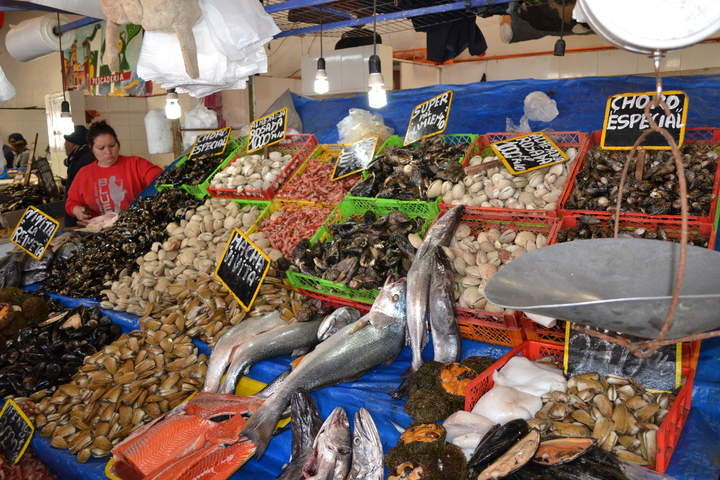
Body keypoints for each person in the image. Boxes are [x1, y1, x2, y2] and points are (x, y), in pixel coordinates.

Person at [65, 120, 162, 224]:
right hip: (101, 231)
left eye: (112, 146)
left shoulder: (135, 164)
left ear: (118, 144)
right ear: (91, 149)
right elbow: (71, 203)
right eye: (101, 148)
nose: (108, 152)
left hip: (138, 224)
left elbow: (159, 178)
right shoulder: (84, 174)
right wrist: (76, 210)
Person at [62, 125, 95, 227]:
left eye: (66, 142)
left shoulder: (82, 160)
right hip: (78, 210)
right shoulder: (78, 157)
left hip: (81, 214)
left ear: (72, 144)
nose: (64, 146)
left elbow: (84, 190)